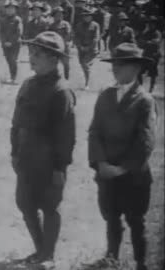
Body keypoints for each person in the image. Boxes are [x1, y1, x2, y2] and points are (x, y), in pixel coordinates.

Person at [88, 42, 157, 270]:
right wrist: (101, 163)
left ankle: (141, 263)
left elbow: (145, 141)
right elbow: (94, 131)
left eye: (122, 65)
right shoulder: (106, 95)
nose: (115, 69)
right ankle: (112, 257)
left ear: (136, 68)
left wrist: (122, 168)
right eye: (114, 64)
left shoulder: (144, 101)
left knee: (136, 221)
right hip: (107, 172)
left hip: (133, 175)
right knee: (111, 217)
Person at [11, 31, 75, 269]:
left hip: (49, 162)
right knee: (25, 203)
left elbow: (66, 136)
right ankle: (39, 250)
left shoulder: (61, 91)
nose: (32, 57)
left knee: (49, 207)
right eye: (31, 52)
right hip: (26, 157)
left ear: (53, 59)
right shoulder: (28, 84)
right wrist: (14, 152)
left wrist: (60, 167)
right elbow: (15, 123)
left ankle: (48, 256)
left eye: (38, 54)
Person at [0, 0, 23, 84]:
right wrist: (4, 41)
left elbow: (18, 32)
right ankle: (12, 76)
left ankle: (14, 78)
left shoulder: (17, 20)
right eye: (8, 9)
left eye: (12, 9)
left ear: (15, 10)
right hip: (5, 44)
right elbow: (0, 32)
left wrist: (11, 41)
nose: (10, 10)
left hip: (15, 44)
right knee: (8, 60)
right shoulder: (2, 20)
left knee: (13, 60)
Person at [74, 8, 100, 90]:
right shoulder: (79, 25)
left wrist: (89, 47)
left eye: (89, 16)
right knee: (82, 65)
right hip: (81, 49)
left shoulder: (95, 25)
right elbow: (76, 37)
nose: (87, 17)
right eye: (85, 16)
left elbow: (96, 38)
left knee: (85, 65)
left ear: (91, 17)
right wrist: (80, 46)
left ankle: (87, 84)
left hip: (92, 49)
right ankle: (87, 78)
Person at [137, 16, 162, 93]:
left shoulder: (157, 33)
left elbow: (156, 41)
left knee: (153, 73)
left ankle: (151, 88)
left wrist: (147, 42)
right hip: (146, 54)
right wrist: (143, 42)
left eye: (152, 23)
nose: (150, 25)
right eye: (149, 23)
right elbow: (141, 43)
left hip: (154, 55)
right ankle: (140, 87)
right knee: (139, 72)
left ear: (155, 24)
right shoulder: (146, 33)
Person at [49, 6, 71, 79]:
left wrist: (62, 43)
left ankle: (66, 79)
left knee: (66, 65)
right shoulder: (51, 26)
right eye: (57, 14)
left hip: (64, 47)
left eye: (61, 14)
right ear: (54, 16)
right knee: (53, 64)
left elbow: (68, 35)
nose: (60, 16)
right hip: (54, 47)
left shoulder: (66, 24)